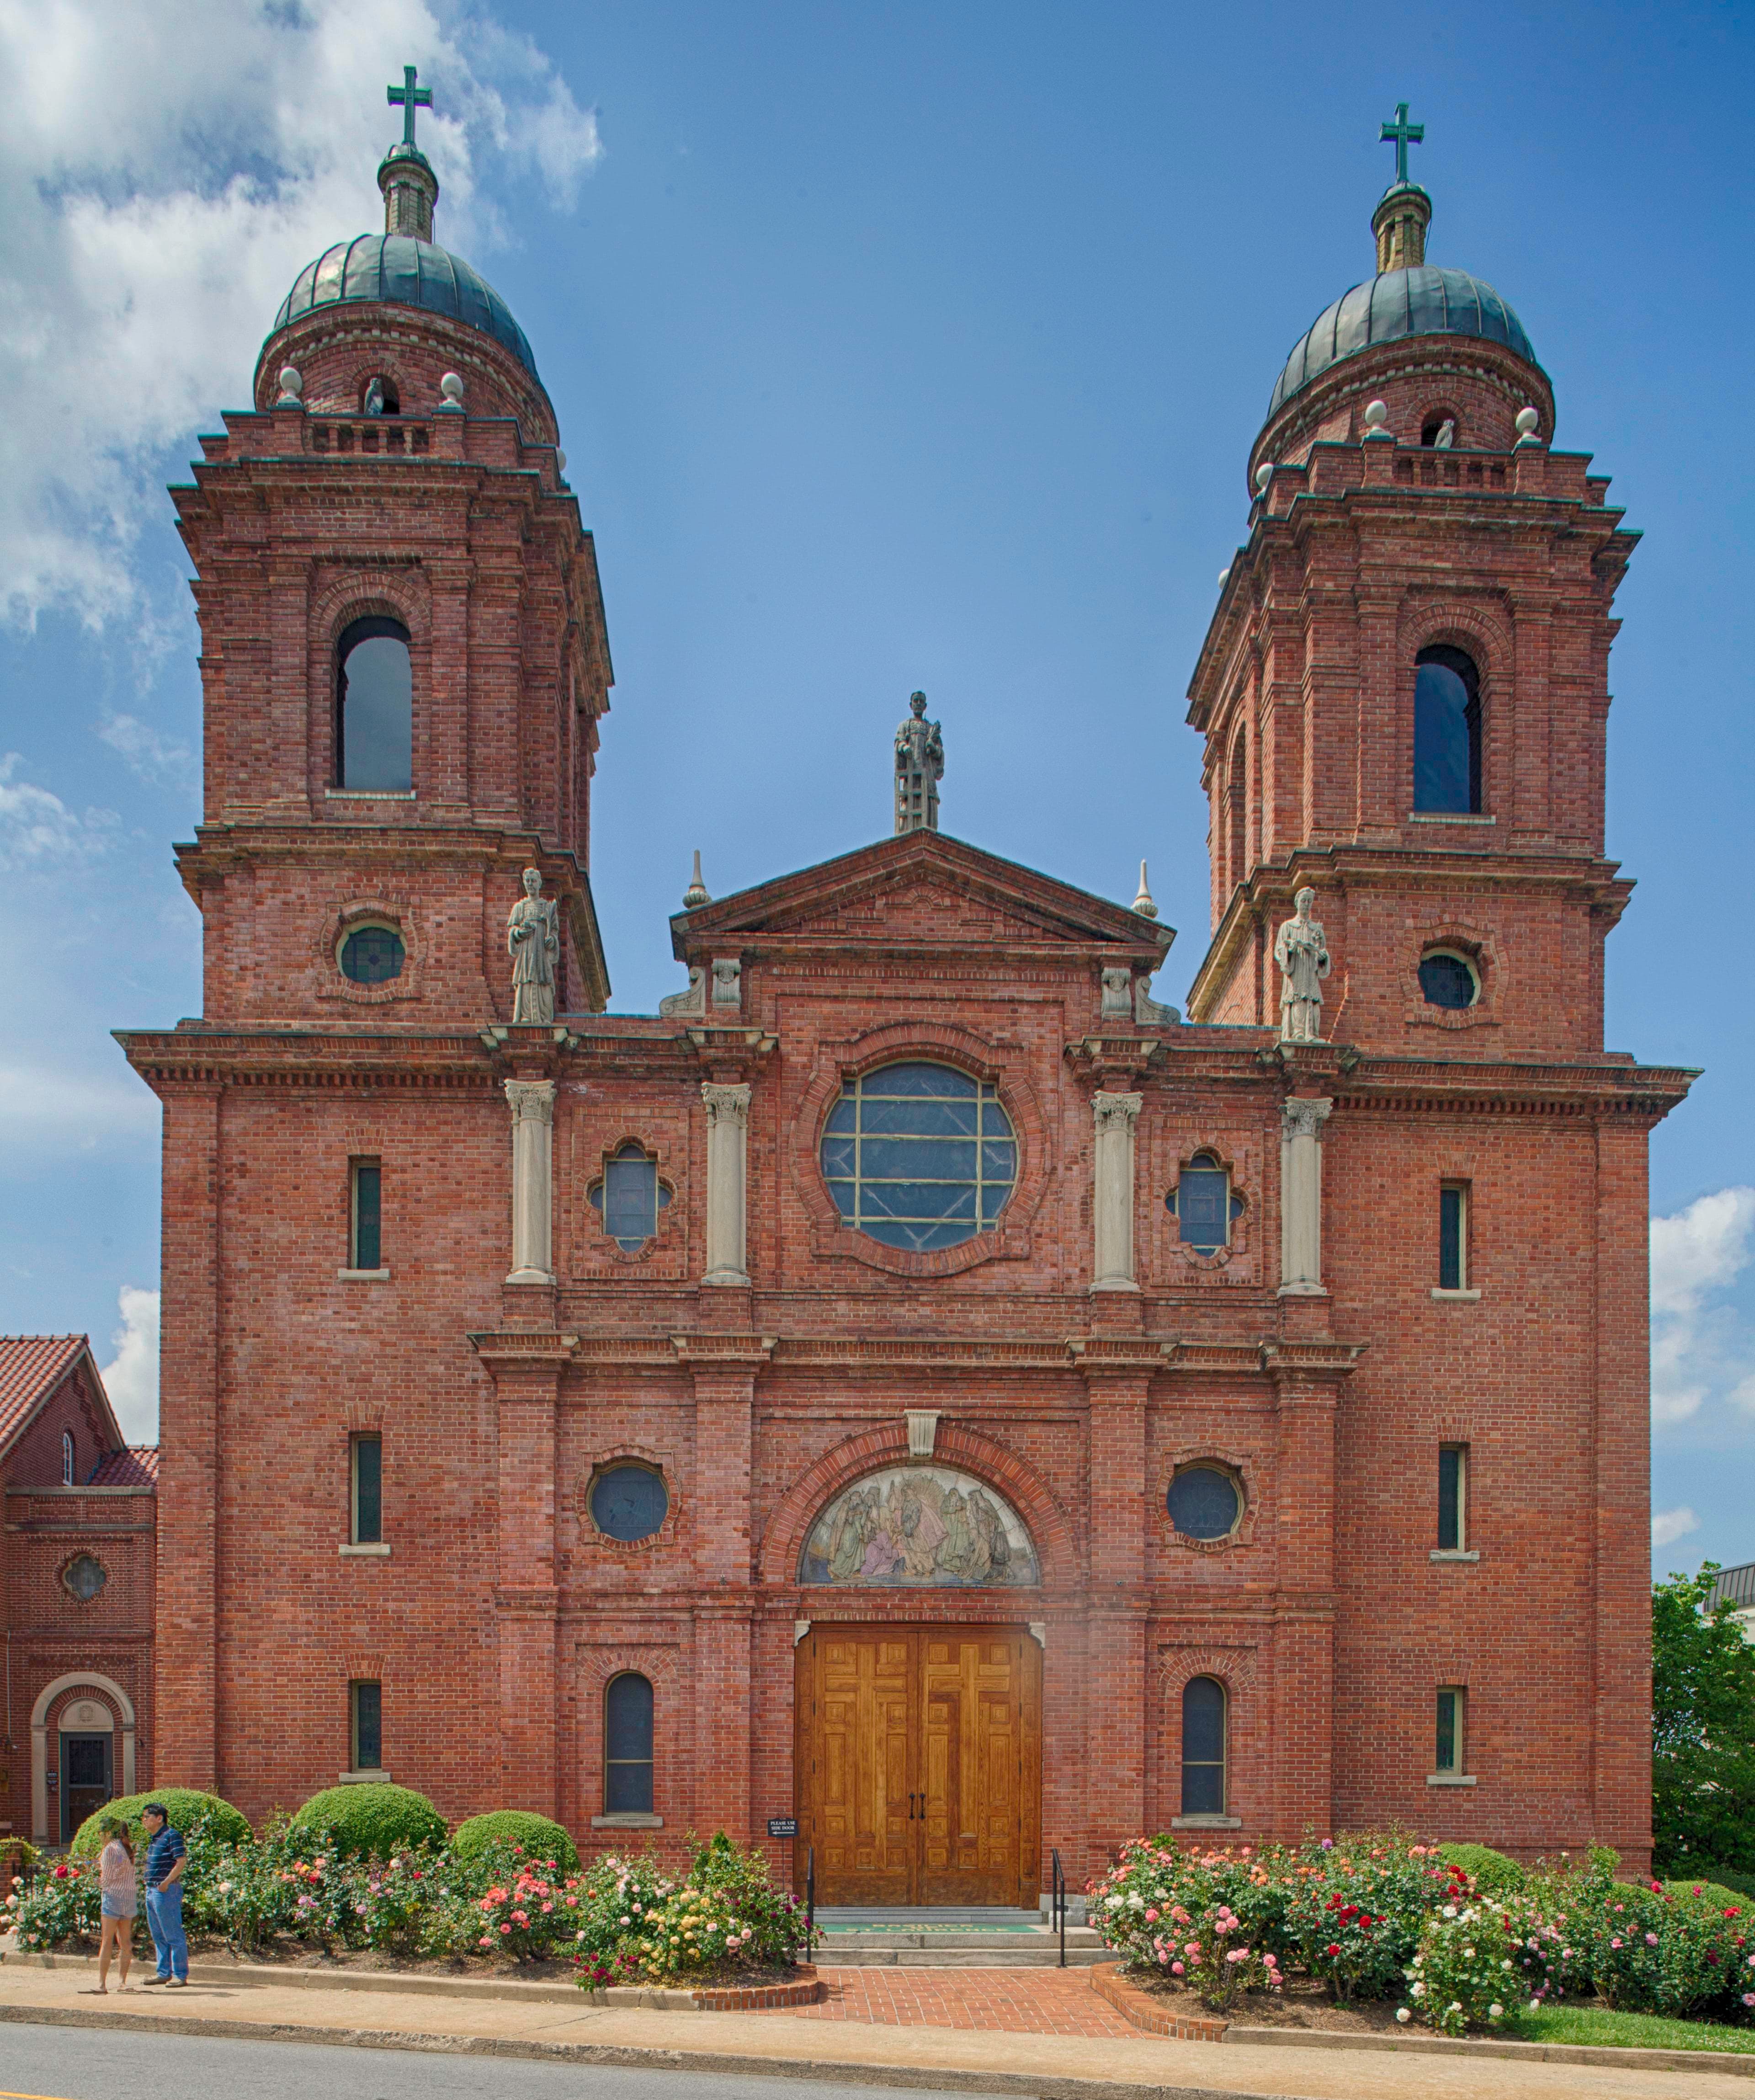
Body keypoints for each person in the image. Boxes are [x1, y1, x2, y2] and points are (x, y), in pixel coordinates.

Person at [84, 1817, 138, 1993]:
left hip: (113, 1898)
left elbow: (107, 1879)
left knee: (107, 1941)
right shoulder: (128, 1849)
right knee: (125, 1942)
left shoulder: (109, 1850)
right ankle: (123, 1982)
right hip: (128, 1899)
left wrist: (94, 1879)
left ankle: (102, 1984)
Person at [138, 1802, 188, 1987]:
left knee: (173, 1934)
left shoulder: (171, 1835)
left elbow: (181, 1861)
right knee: (158, 1934)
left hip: (165, 1891)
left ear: (159, 1818)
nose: (144, 1820)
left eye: (147, 1817)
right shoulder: (155, 1838)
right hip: (152, 1890)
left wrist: (166, 1883)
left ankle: (180, 1975)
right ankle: (163, 1973)